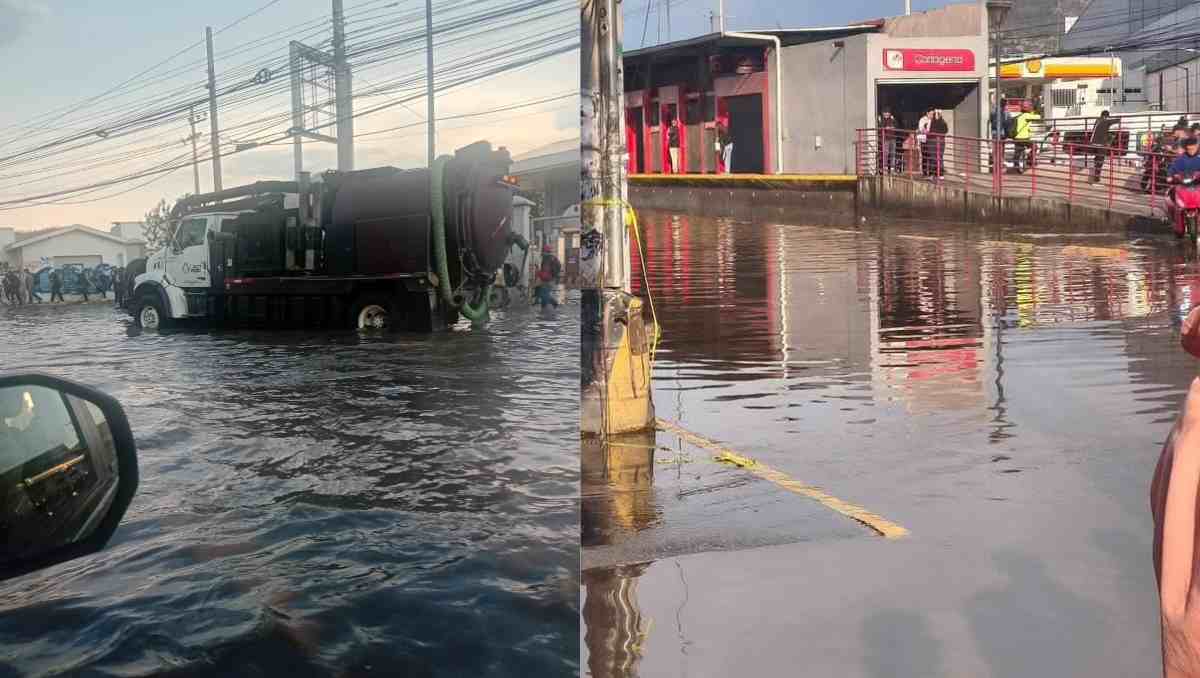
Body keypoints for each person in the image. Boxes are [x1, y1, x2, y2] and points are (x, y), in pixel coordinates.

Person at [1011, 101, 1041, 174]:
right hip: (1024, 138)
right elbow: (1038, 117)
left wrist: (1031, 111)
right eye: (1029, 107)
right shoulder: (1027, 116)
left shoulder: (1019, 116)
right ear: (1027, 108)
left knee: (1017, 153)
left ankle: (1017, 168)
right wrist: (1034, 111)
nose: (1031, 108)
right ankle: (1029, 159)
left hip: (1016, 137)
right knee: (1035, 146)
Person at [1089, 110, 1117, 183]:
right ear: (1106, 116)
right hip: (1100, 144)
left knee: (1098, 158)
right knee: (1100, 160)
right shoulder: (1106, 121)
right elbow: (1116, 120)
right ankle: (1097, 177)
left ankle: (1096, 163)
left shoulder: (1097, 120)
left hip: (1093, 143)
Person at [534, 244, 561, 308]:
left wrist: (538, 273)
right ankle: (543, 310)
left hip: (547, 279)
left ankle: (554, 303)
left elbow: (546, 271)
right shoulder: (553, 258)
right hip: (551, 279)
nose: (542, 252)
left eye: (543, 251)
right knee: (543, 294)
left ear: (545, 251)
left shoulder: (547, 258)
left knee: (544, 295)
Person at [929, 110, 949, 179]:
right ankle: (937, 174)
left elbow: (945, 130)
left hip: (936, 141)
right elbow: (945, 130)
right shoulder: (940, 122)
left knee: (937, 157)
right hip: (938, 141)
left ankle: (938, 174)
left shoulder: (939, 122)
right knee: (937, 157)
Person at [879, 110, 897, 174]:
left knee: (893, 154)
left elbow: (896, 126)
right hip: (886, 139)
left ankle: (892, 168)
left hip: (893, 138)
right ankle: (885, 168)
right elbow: (881, 127)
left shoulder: (892, 119)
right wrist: (886, 127)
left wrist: (891, 126)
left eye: (888, 112)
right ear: (883, 113)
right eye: (885, 112)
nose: (887, 114)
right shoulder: (882, 120)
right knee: (886, 154)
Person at [917, 109, 933, 175]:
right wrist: (926, 130)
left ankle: (931, 173)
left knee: (931, 156)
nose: (932, 115)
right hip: (924, 140)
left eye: (933, 114)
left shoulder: (933, 120)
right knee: (925, 156)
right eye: (931, 114)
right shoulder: (923, 119)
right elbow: (921, 129)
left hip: (931, 140)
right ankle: (925, 172)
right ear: (927, 113)